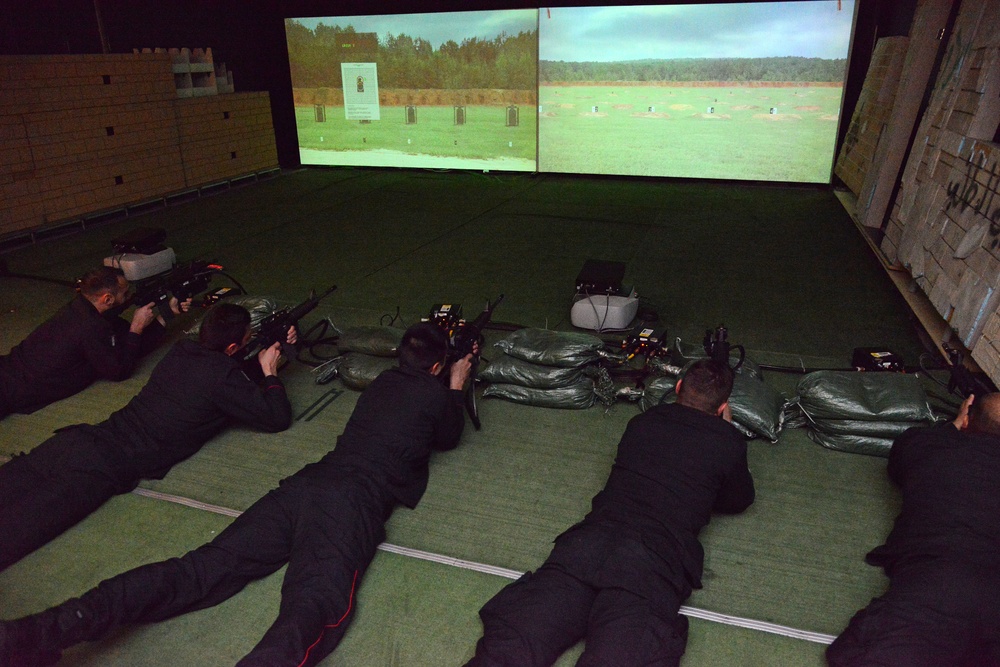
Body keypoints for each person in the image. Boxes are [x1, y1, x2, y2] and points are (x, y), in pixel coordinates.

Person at [0, 321, 474, 667]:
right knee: (314, 605)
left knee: (200, 569)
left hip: (305, 486)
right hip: (350, 503)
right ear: (436, 365)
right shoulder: (434, 393)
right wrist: (455, 386)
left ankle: (44, 630)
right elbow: (449, 435)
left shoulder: (379, 387)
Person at [465, 358, 755, 667]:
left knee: (510, 647)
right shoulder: (728, 441)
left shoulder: (642, 422)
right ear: (724, 406)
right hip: (651, 564)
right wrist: (723, 435)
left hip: (586, 548)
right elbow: (738, 499)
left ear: (678, 387)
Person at [0, 302, 295, 572]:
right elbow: (276, 417)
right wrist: (269, 371)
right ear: (232, 347)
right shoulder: (222, 377)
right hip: (101, 466)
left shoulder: (181, 351)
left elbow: (215, 380)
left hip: (77, 439)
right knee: (18, 531)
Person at [826, 393, 1000, 667]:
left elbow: (902, 455)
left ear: (968, 417)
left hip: (937, 588)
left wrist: (955, 424)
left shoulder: (932, 446)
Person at [0, 266, 186, 419]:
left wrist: (166, 314)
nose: (129, 297)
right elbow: (119, 370)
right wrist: (136, 328)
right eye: (125, 293)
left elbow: (131, 347)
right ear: (108, 299)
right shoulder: (91, 327)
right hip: (13, 389)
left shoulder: (82, 308)